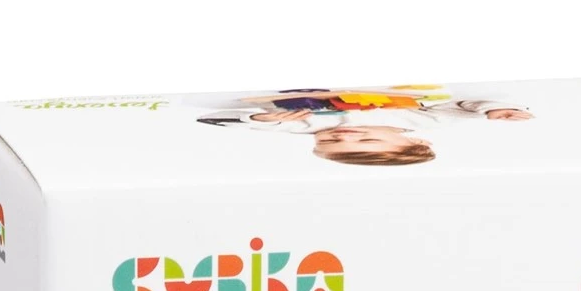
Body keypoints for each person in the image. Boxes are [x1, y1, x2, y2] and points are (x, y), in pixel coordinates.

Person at [196, 86, 533, 166]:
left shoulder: (309, 125)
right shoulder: (427, 121)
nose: (343, 135)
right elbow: (462, 106)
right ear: (414, 142)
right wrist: (493, 110)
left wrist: (261, 119)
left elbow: (219, 119)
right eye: (365, 141)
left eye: (329, 143)